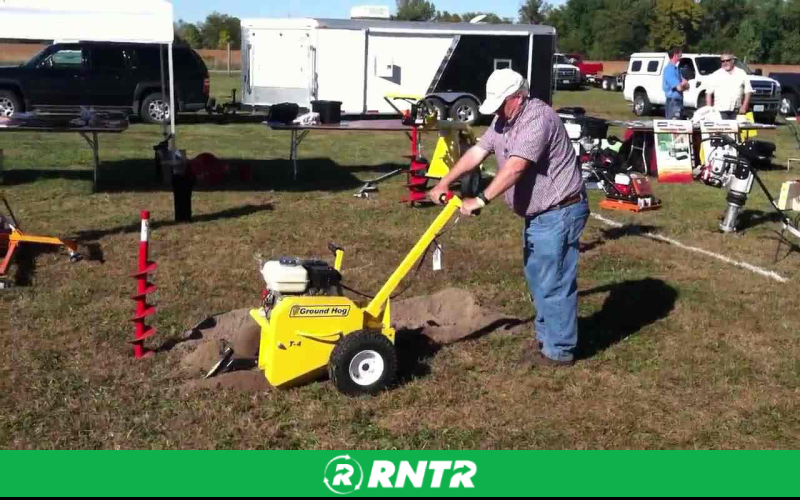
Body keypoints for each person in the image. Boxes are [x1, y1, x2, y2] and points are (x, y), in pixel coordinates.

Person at [428, 69, 590, 367]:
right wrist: (443, 182)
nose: (498, 110)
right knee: (538, 276)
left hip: (560, 210)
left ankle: (559, 351)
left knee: (553, 280)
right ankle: (547, 339)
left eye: (502, 103)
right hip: (540, 215)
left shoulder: (537, 120)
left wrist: (480, 199)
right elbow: (477, 152)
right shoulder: (504, 119)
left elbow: (515, 168)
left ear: (518, 97)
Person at [706, 52, 753, 119]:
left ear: (732, 61)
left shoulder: (741, 73)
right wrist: (709, 110)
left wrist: (744, 106)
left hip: (737, 111)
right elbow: (708, 93)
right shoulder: (716, 75)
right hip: (720, 111)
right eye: (722, 61)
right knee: (723, 129)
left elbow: (748, 91)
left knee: (737, 129)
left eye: (727, 60)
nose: (725, 62)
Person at [662, 46, 690, 119]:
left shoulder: (676, 69)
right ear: (675, 54)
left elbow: (687, 86)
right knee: (674, 127)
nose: (681, 55)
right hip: (673, 102)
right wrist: (683, 85)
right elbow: (679, 88)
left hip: (678, 101)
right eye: (680, 54)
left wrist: (684, 85)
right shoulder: (669, 70)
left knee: (680, 127)